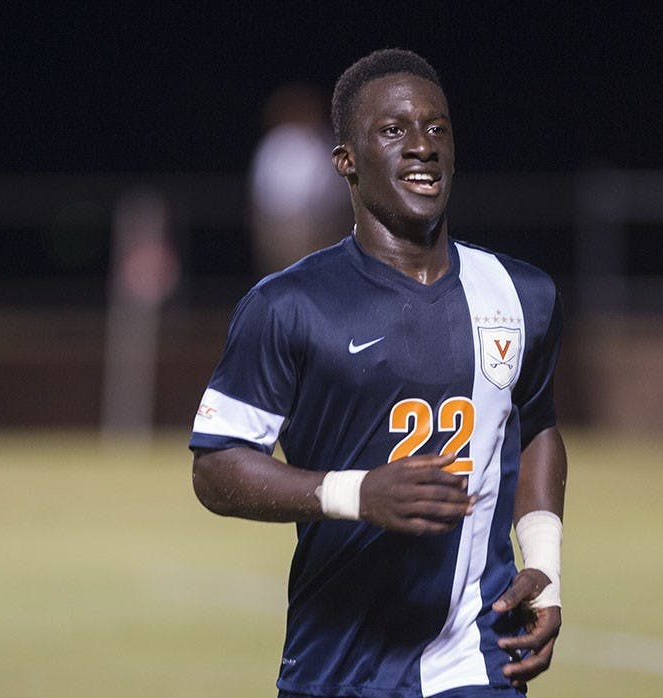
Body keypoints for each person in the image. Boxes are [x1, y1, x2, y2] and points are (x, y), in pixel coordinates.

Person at [190, 48, 567, 698]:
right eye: (394, 130)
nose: (422, 145)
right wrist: (355, 495)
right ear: (346, 161)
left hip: (477, 658)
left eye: (437, 128)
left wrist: (548, 568)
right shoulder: (289, 306)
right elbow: (216, 466)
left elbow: (538, 428)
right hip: (336, 666)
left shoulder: (520, 294)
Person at [249, 82, 353, 275]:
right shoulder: (279, 143)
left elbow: (333, 185)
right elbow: (263, 187)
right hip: (287, 222)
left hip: (314, 223)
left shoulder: (319, 141)